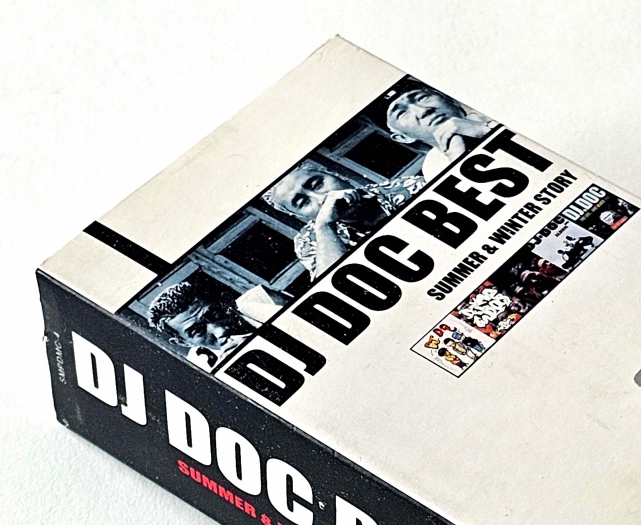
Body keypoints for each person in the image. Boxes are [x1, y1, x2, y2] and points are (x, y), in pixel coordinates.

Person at [263, 160, 424, 279]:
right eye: (303, 203)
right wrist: (325, 227)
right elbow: (335, 288)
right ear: (298, 215)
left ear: (336, 174)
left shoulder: (409, 187)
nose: (322, 198)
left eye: (318, 185)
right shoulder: (309, 242)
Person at [146, 276, 289, 365]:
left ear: (227, 302)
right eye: (198, 331)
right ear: (183, 342)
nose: (220, 331)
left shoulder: (263, 299)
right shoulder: (200, 369)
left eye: (215, 314)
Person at [385, 87, 497, 180]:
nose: (423, 111)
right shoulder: (433, 167)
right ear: (402, 137)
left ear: (452, 100)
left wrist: (487, 131)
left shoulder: (493, 111)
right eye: (402, 113)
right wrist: (458, 162)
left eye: (422, 98)